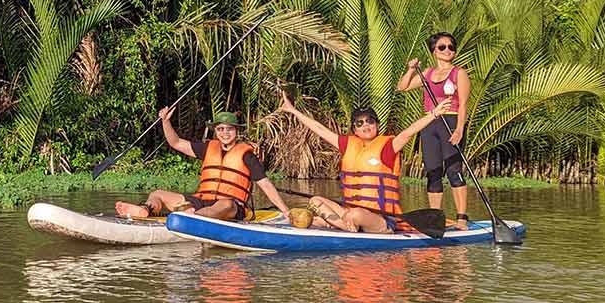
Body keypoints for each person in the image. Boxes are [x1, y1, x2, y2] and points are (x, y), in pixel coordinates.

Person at [277, 91, 456, 233]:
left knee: (355, 214)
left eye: (370, 121)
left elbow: (408, 133)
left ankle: (334, 224)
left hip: (381, 220)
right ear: (354, 129)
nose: (365, 125)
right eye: (359, 123)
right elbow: (319, 129)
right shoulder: (348, 144)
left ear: (377, 124)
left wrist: (434, 114)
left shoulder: (388, 147)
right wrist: (293, 111)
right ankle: (342, 225)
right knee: (315, 201)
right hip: (349, 214)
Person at [113, 109, 292, 221]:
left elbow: (265, 184)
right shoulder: (208, 148)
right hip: (200, 201)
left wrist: (285, 211)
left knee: (226, 205)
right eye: (221, 129)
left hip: (230, 206)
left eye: (229, 129)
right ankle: (146, 209)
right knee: (158, 194)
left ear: (236, 131)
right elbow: (176, 143)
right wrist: (165, 122)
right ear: (216, 131)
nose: (225, 133)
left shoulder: (247, 155)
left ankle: (193, 219)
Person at [397, 32, 471, 228]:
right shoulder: (427, 73)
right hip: (430, 124)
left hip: (452, 122)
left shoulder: (459, 73)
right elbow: (402, 87)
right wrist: (411, 69)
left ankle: (462, 217)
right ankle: (435, 217)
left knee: (454, 171)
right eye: (442, 47)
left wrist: (460, 130)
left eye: (451, 47)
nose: (447, 50)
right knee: (433, 171)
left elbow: (463, 104)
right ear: (434, 51)